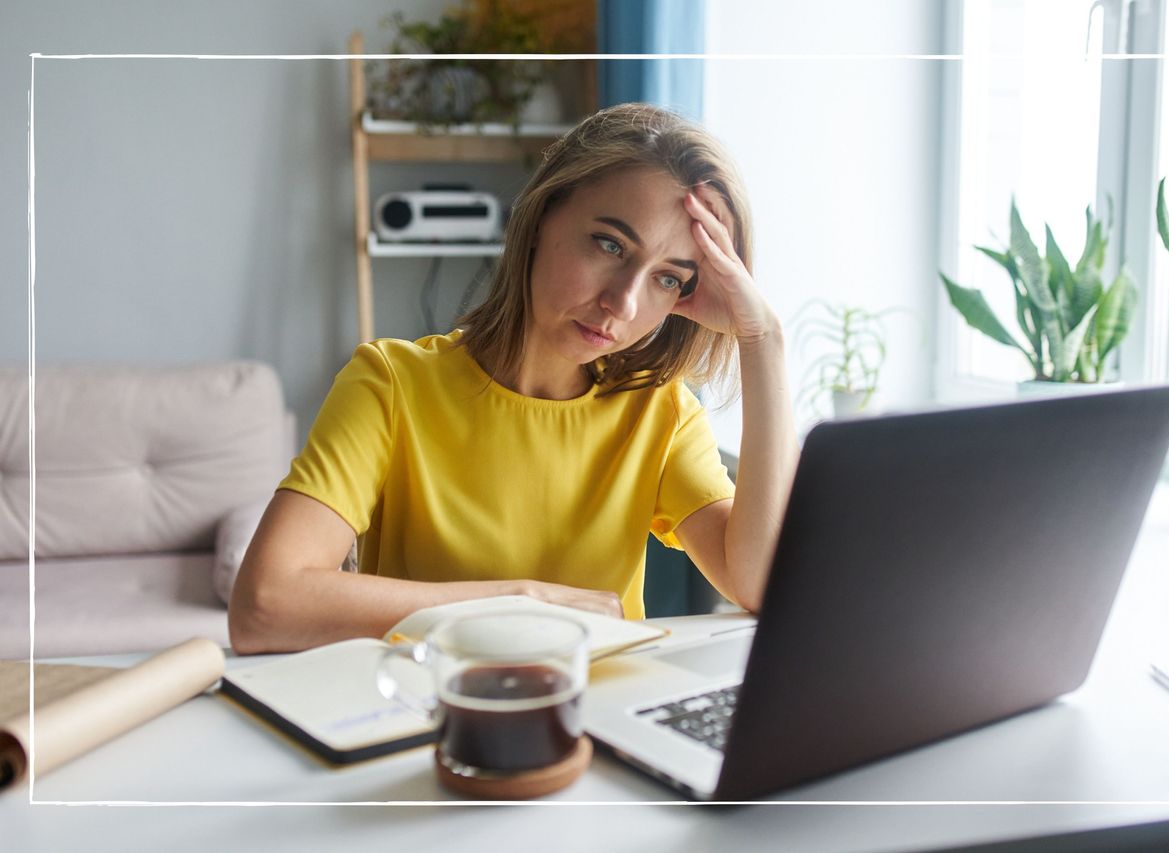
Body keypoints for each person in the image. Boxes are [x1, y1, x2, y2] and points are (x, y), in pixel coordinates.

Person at [228, 103, 798, 655]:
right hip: (427, 719)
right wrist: (522, 602)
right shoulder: (391, 384)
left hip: (598, 723)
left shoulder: (661, 412)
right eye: (610, 245)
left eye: (668, 279)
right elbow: (264, 605)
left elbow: (758, 586)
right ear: (540, 216)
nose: (622, 303)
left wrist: (763, 341)